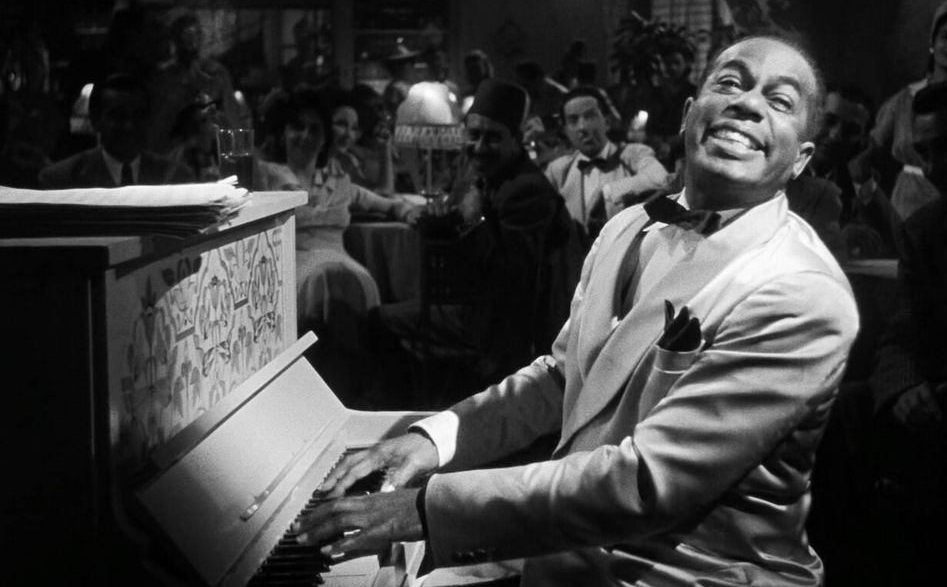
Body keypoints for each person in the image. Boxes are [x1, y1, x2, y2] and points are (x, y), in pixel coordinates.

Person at [294, 35, 860, 587]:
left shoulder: (801, 292)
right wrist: (434, 439)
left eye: (779, 100)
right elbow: (560, 375)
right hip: (569, 548)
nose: (748, 103)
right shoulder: (626, 227)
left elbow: (645, 483)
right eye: (730, 82)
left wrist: (426, 511)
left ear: (801, 159)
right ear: (691, 114)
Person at [861, 77, 947, 585]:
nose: (935, 167)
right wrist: (904, 388)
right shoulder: (928, 230)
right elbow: (902, 336)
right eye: (925, 152)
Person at [373, 78, 578, 401]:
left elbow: (510, 280)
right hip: (479, 309)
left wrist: (471, 219)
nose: (480, 147)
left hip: (502, 327)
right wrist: (433, 219)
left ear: (516, 140)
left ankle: (395, 407)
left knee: (378, 321)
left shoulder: (525, 190)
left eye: (493, 138)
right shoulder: (493, 176)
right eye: (474, 135)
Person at [256, 88, 419, 403]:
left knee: (345, 278)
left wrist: (408, 210)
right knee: (326, 277)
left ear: (325, 137)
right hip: (295, 264)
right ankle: (320, 395)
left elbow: (385, 203)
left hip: (343, 261)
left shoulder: (338, 180)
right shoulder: (267, 175)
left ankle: (354, 393)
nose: (305, 135)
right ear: (283, 132)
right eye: (297, 126)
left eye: (314, 128)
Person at [860, 0, 947, 220]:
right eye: (946, 36)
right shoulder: (904, 100)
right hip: (910, 204)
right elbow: (863, 157)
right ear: (933, 44)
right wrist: (867, 202)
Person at [545, 85, 672, 243]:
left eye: (590, 116)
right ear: (565, 130)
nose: (582, 127)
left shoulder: (632, 154)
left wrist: (609, 192)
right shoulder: (558, 169)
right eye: (573, 120)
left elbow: (662, 179)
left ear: (607, 121)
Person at [787, 86, 898, 259]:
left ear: (863, 139)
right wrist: (834, 239)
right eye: (829, 121)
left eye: (851, 131)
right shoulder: (778, 168)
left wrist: (862, 177)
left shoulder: (856, 178)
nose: (835, 136)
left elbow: (897, 240)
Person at [39, 73, 194, 188]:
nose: (129, 126)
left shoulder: (176, 178)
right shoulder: (62, 181)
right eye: (118, 116)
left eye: (138, 116)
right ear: (95, 120)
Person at [146, 12, 249, 155]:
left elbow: (233, 121)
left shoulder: (215, 73)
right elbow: (156, 129)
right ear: (175, 39)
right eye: (186, 35)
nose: (192, 41)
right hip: (170, 157)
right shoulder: (164, 77)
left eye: (196, 35)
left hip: (211, 157)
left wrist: (241, 155)